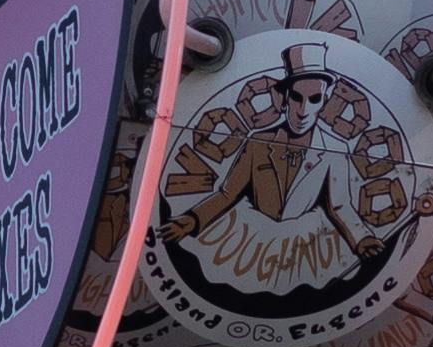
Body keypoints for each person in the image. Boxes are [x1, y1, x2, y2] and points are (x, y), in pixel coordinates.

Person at [161, 38, 398, 263]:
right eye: (297, 97)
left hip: (302, 247)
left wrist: (361, 239)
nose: (303, 110)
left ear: (325, 100)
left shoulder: (335, 149)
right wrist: (192, 220)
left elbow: (339, 205)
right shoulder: (258, 141)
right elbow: (228, 193)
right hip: (251, 238)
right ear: (285, 97)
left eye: (314, 99)